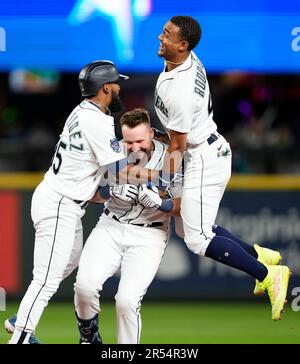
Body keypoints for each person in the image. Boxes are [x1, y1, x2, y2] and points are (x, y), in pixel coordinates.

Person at [137, 15, 291, 321]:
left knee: (198, 239)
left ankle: (267, 274)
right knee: (185, 224)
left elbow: (178, 147)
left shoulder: (179, 88)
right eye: (162, 32)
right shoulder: (184, 61)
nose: (159, 37)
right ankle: (259, 254)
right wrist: (158, 135)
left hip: (203, 156)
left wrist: (162, 184)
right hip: (202, 148)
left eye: (167, 35)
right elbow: (178, 137)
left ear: (183, 46)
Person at [6, 60, 139, 344]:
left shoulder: (81, 112)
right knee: (46, 280)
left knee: (71, 260)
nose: (119, 88)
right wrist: (161, 160)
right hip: (59, 205)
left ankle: (21, 319)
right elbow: (120, 171)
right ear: (105, 88)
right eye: (116, 83)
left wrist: (105, 192)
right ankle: (20, 337)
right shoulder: (98, 122)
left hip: (64, 199)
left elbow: (91, 178)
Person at [74, 108, 182, 344]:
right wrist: (109, 191)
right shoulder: (112, 153)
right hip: (110, 225)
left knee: (127, 301)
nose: (134, 147)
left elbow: (184, 206)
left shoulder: (172, 157)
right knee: (84, 286)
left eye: (140, 140)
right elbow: (90, 193)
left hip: (149, 233)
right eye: (129, 141)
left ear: (151, 133)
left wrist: (162, 204)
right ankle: (89, 338)